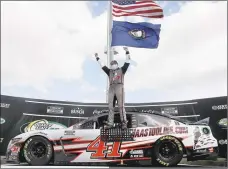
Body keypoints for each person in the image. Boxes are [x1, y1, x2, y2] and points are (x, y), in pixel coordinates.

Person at [94, 47, 131, 129]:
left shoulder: (122, 70)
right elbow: (102, 65)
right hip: (111, 88)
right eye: (111, 64)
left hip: (119, 86)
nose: (112, 65)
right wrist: (97, 57)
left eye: (114, 63)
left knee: (121, 106)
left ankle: (124, 123)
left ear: (117, 64)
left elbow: (128, 61)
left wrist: (127, 51)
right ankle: (110, 123)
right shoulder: (109, 71)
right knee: (110, 106)